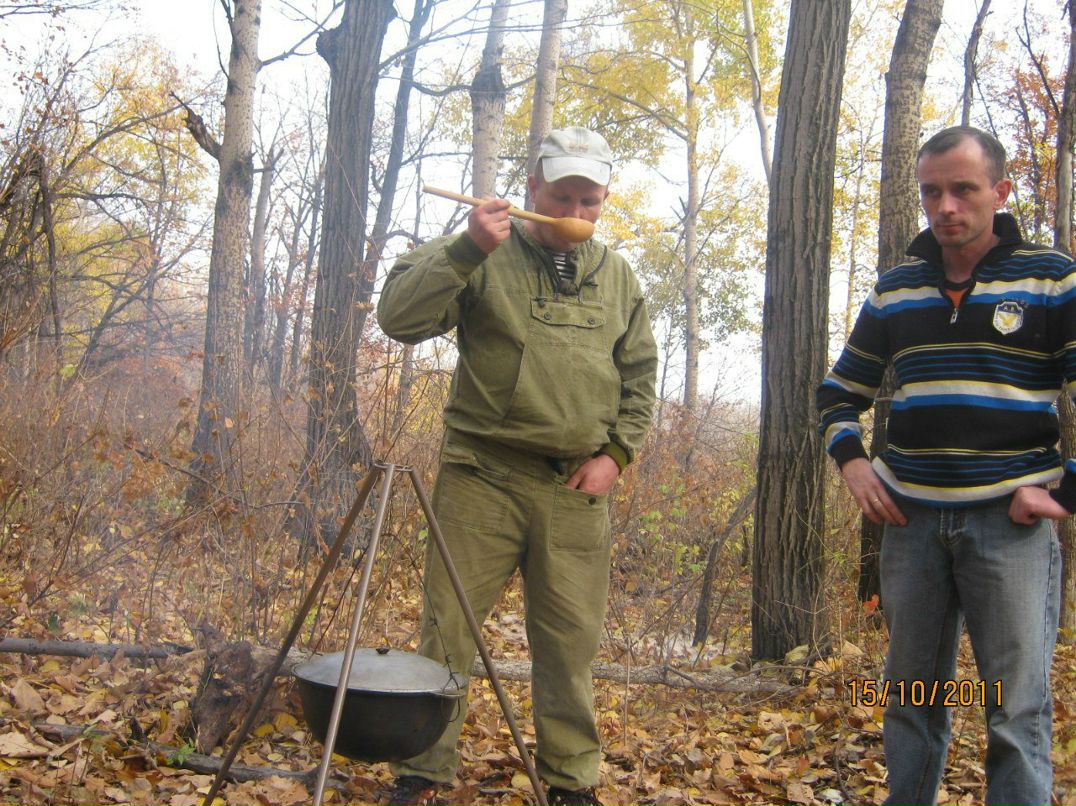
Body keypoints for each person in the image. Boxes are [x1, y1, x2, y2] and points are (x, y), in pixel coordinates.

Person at [376, 126, 658, 806]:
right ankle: (422, 770)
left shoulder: (618, 277)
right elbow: (397, 318)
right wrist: (468, 246)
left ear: (604, 201)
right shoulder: (484, 251)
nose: (577, 212)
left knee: (569, 643)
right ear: (533, 191)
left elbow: (640, 377)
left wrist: (616, 456)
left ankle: (570, 781)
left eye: (590, 201)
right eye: (564, 196)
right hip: (482, 477)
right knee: (448, 630)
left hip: (575, 488)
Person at [817, 125, 1070, 806]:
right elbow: (839, 395)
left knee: (1015, 707)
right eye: (933, 191)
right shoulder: (897, 291)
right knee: (912, 697)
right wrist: (854, 465)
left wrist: (1065, 494)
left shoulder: (1051, 279)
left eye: (964, 188)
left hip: (1008, 528)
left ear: (1001, 192)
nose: (946, 206)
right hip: (912, 522)